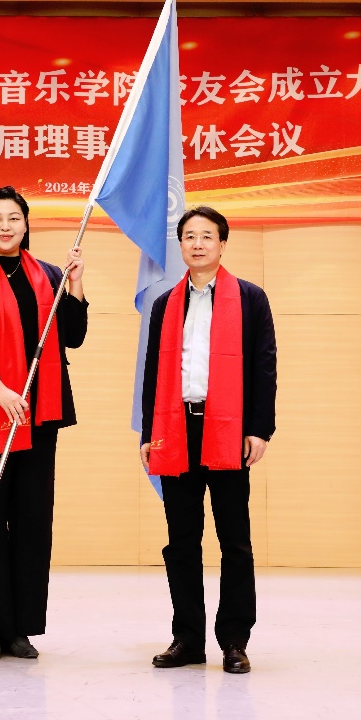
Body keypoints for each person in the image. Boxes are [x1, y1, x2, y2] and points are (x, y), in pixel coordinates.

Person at [0, 186, 88, 661]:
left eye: (13, 218)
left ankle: (21, 628)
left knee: (31, 519)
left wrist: (76, 285)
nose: (5, 226)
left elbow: (72, 336)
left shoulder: (49, 274)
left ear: (26, 224)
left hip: (39, 412)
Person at [140, 205, 277, 675]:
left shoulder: (250, 299)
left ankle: (235, 641)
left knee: (234, 540)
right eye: (189, 236)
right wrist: (149, 431)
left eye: (207, 236)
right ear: (180, 245)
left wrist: (259, 428)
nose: (197, 244)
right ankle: (187, 639)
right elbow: (153, 372)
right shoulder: (165, 304)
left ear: (222, 243)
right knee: (181, 541)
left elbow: (264, 366)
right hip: (176, 429)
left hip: (228, 429)